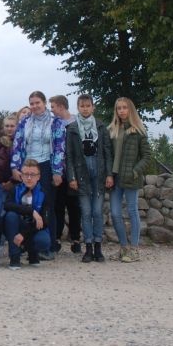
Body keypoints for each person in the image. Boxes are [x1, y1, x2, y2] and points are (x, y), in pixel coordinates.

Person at [10, 91, 65, 257]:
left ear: (44, 103)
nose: (34, 106)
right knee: (25, 203)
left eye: (37, 103)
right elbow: (17, 144)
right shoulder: (24, 122)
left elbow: (59, 147)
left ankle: (49, 245)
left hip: (46, 166)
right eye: (32, 103)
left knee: (48, 205)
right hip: (27, 166)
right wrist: (15, 167)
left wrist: (57, 171)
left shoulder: (56, 122)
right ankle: (23, 243)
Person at [65, 94, 113, 263]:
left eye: (88, 105)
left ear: (93, 107)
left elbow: (107, 152)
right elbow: (69, 155)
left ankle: (98, 246)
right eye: (82, 106)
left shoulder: (101, 127)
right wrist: (71, 177)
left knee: (97, 212)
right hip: (81, 173)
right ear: (78, 108)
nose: (85, 109)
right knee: (85, 212)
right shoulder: (72, 129)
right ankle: (88, 247)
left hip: (98, 172)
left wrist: (109, 174)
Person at [108, 97, 151, 263]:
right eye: (119, 108)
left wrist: (135, 172)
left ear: (130, 110)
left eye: (124, 107)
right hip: (115, 177)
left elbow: (147, 157)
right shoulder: (112, 130)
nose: (121, 111)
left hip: (131, 177)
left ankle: (134, 249)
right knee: (115, 213)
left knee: (132, 211)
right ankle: (123, 247)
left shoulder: (138, 131)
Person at [50, 94, 82, 254]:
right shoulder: (54, 124)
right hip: (58, 171)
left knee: (74, 206)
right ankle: (56, 238)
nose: (51, 110)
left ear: (61, 106)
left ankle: (75, 238)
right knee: (58, 206)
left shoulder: (77, 123)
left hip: (74, 171)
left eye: (53, 107)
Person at [3, 159, 48, 269]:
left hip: (33, 228)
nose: (28, 178)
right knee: (10, 216)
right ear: (21, 176)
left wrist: (23, 234)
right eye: (25, 174)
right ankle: (14, 257)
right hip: (16, 225)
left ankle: (33, 254)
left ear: (38, 177)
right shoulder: (15, 189)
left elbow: (45, 221)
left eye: (32, 175)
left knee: (43, 241)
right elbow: (7, 205)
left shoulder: (44, 193)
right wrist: (32, 211)